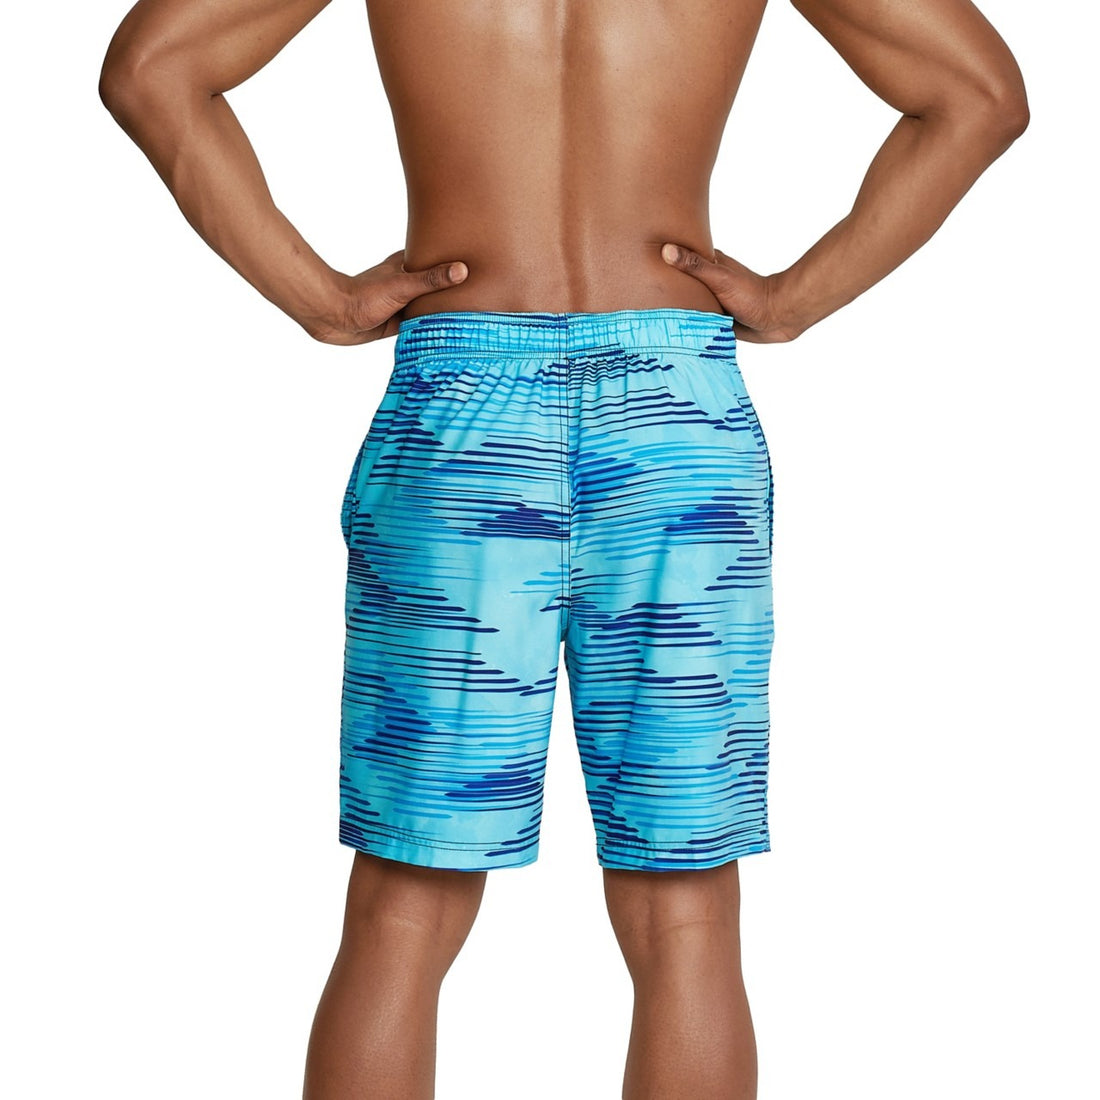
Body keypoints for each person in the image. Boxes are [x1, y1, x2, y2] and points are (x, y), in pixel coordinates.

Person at [98, 0, 1027, 1096]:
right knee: (684, 906)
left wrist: (323, 301)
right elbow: (978, 94)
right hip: (673, 419)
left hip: (462, 411)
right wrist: (791, 302)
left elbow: (152, 68)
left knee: (404, 899)